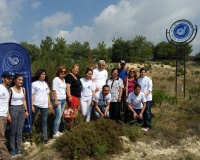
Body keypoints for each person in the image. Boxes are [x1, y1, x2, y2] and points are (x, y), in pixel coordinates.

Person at [9, 73, 29, 157]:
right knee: (13, 130)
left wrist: (26, 110)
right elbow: (7, 102)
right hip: (13, 109)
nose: (21, 81)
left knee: (20, 130)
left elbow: (24, 100)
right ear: (14, 80)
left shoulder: (23, 89)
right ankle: (12, 149)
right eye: (19, 80)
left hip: (21, 109)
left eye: (22, 80)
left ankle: (19, 149)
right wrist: (8, 114)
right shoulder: (10, 89)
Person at [32, 69, 52, 143]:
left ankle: (44, 137)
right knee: (33, 120)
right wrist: (32, 105)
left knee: (44, 121)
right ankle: (30, 135)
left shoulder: (45, 84)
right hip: (36, 104)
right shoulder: (34, 84)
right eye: (42, 74)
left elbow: (48, 94)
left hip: (44, 105)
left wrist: (49, 104)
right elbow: (32, 95)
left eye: (44, 74)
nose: (44, 75)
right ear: (39, 75)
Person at [0, 71, 13, 160]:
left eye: (11, 79)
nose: (10, 80)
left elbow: (6, 104)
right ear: (3, 79)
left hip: (4, 116)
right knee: (1, 138)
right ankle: (5, 157)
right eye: (8, 78)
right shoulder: (0, 88)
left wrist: (8, 114)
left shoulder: (7, 90)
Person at [52, 66, 67, 138]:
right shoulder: (56, 79)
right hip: (58, 100)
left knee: (60, 116)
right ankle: (55, 132)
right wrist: (55, 100)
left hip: (63, 99)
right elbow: (54, 90)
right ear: (59, 72)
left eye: (64, 72)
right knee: (58, 116)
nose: (63, 73)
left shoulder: (64, 80)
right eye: (62, 71)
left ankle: (57, 130)